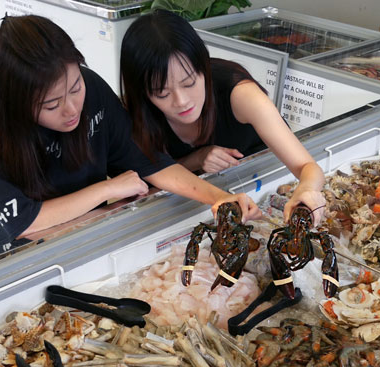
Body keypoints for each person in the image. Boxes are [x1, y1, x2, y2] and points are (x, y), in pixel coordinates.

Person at [0, 15, 258, 260]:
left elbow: (150, 163)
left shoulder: (92, 89)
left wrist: (218, 197)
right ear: (15, 101)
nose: (72, 108)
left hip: (85, 219)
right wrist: (107, 190)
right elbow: (22, 224)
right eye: (50, 104)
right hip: (8, 241)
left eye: (74, 87)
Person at [119, 9, 326, 226]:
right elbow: (147, 179)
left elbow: (308, 167)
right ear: (142, 92)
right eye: (162, 92)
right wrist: (198, 158)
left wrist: (307, 190)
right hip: (190, 202)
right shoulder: (134, 112)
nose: (181, 101)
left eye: (189, 82)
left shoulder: (241, 94)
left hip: (260, 185)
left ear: (204, 67)